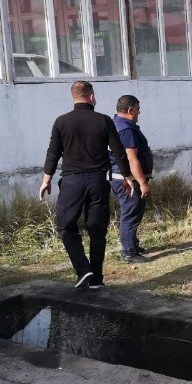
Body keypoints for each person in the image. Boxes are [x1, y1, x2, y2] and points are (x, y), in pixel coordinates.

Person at [40, 81, 136, 290]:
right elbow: (119, 151)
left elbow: (53, 152)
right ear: (91, 97)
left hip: (72, 182)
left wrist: (46, 179)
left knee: (65, 226)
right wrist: (127, 176)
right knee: (96, 230)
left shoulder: (61, 122)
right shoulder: (104, 121)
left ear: (73, 97)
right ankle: (96, 278)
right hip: (98, 181)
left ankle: (83, 270)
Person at [110, 94, 152, 262]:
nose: (139, 112)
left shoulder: (116, 124)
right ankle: (129, 253)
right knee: (130, 214)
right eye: (137, 109)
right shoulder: (126, 129)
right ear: (130, 110)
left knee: (133, 212)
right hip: (128, 180)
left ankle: (132, 245)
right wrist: (142, 182)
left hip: (120, 178)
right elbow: (131, 159)